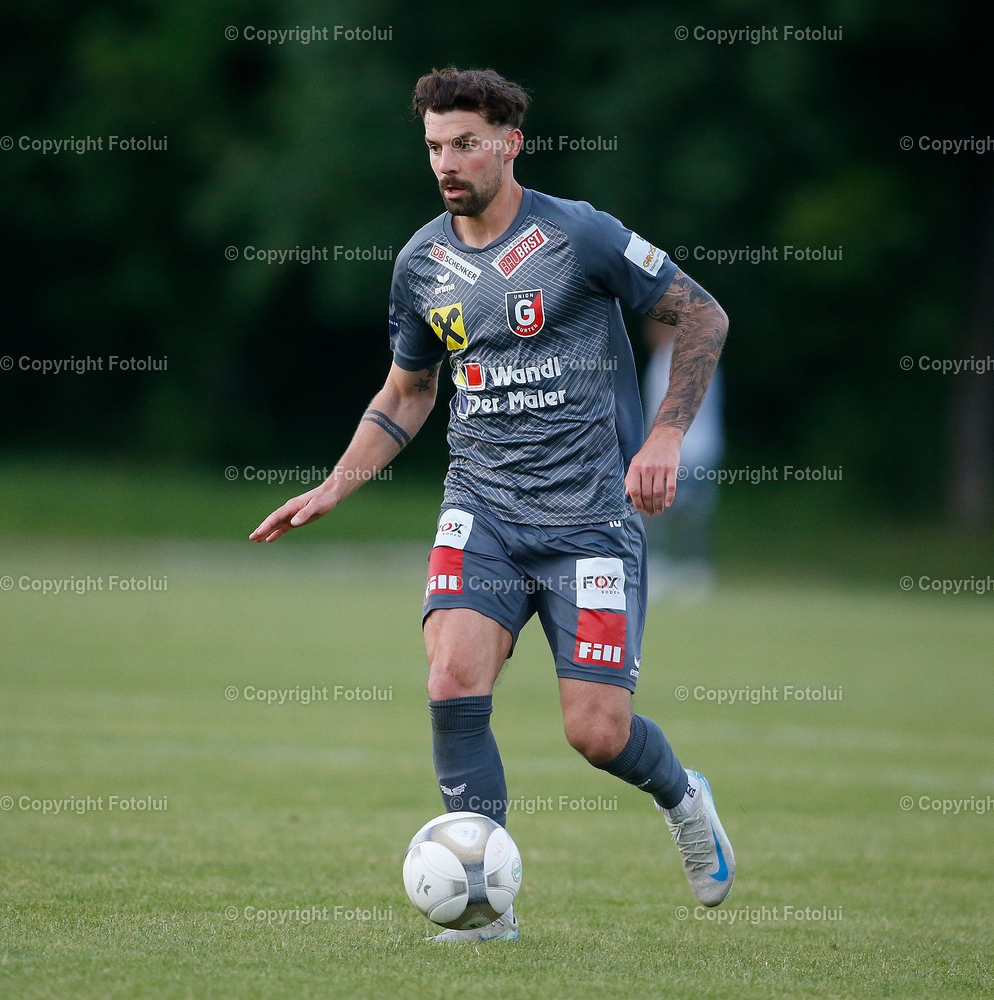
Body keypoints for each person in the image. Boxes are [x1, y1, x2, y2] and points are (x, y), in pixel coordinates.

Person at [251, 66, 733, 943]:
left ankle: (683, 795)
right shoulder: (421, 264)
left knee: (596, 733)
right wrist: (333, 485)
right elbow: (407, 393)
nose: (448, 161)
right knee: (452, 678)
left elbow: (702, 315)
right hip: (483, 509)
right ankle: (482, 909)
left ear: (510, 143)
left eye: (466, 142)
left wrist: (663, 439)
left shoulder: (578, 235)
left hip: (589, 519)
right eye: (435, 145)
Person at [642, 317, 725, 601]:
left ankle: (691, 572)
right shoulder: (664, 358)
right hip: (683, 449)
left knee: (686, 513)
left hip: (688, 449)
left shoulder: (685, 358)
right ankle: (666, 567)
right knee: (664, 511)